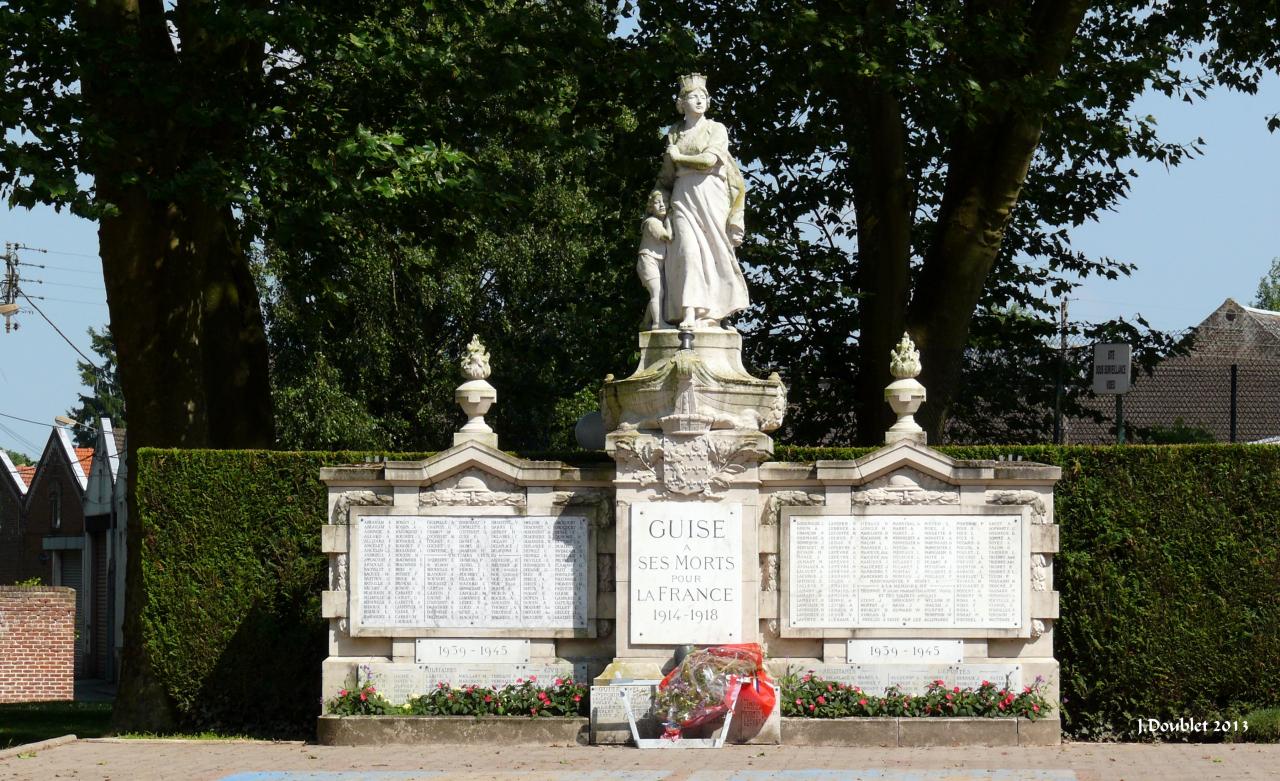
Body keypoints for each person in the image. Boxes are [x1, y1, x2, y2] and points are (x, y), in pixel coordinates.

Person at [657, 73, 749, 330]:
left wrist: (678, 157)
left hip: (711, 196)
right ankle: (688, 311)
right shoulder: (674, 134)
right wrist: (658, 197)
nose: (699, 100)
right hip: (683, 197)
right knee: (687, 253)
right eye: (693, 96)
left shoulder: (716, 129)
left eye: (703, 97)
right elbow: (665, 179)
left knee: (714, 252)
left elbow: (709, 161)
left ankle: (713, 312)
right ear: (681, 103)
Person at [637, 189, 671, 330]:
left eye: (665, 202)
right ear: (650, 207)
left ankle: (646, 323)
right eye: (658, 203)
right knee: (657, 292)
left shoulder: (656, 222)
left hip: (655, 261)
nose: (662, 205)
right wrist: (669, 221)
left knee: (657, 293)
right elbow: (667, 236)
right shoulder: (652, 222)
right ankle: (658, 324)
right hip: (648, 260)